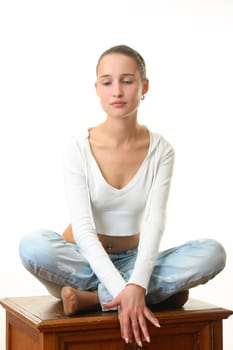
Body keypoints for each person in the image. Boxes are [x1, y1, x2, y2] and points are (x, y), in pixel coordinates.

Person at [19, 44, 226, 348]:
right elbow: (85, 229)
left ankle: (94, 299)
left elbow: (155, 222)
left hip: (134, 260)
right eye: (107, 82)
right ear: (97, 89)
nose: (117, 90)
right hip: (80, 259)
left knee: (213, 253)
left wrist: (137, 281)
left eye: (127, 81)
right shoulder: (77, 147)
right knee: (32, 245)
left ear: (144, 86)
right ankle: (149, 293)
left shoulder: (161, 150)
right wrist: (127, 288)